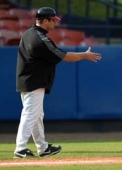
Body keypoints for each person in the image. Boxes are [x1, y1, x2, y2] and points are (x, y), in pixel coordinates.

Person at [14, 7, 101, 158]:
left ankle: (43, 148)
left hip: (28, 79)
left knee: (36, 115)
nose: (55, 23)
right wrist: (85, 55)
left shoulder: (29, 33)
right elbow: (65, 56)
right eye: (53, 20)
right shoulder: (39, 38)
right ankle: (20, 148)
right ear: (45, 20)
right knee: (30, 114)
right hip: (33, 80)